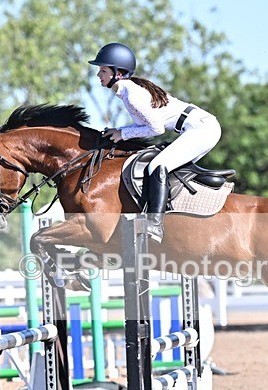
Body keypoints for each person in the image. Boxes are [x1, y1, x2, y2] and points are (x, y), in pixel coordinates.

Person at [89, 42, 222, 242]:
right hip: (196, 128)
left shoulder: (132, 94)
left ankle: (155, 225)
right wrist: (120, 132)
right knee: (166, 167)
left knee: (158, 165)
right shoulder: (127, 91)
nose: (99, 75)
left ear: (118, 73)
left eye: (103, 70)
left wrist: (122, 134)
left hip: (202, 129)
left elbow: (156, 129)